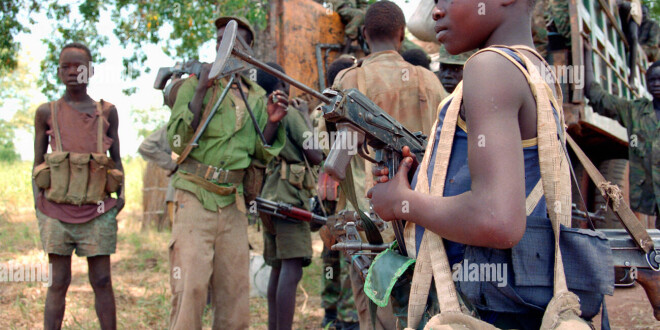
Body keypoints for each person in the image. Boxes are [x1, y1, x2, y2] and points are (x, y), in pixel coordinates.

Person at [368, 0, 599, 328]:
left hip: (478, 311)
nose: (436, 11)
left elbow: (497, 219)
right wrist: (427, 176)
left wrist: (401, 202)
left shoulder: (490, 67)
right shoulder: (532, 67)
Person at [166, 16, 287, 330]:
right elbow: (176, 140)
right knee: (190, 288)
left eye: (235, 40)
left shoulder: (257, 97)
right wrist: (200, 91)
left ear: (248, 49)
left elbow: (261, 153)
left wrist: (272, 123)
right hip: (193, 193)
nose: (226, 45)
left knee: (234, 292)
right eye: (221, 39)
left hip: (232, 203)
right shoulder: (194, 84)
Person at [331, 1, 447, 328]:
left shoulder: (349, 78)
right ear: (401, 35)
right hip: (427, 216)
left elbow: (333, 152)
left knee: (374, 306)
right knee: (426, 304)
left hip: (371, 220)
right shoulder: (430, 81)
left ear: (364, 34)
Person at [33, 42, 124, 330]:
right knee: (58, 282)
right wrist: (39, 203)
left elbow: (117, 159)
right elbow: (37, 164)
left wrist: (120, 198)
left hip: (97, 211)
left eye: (79, 66)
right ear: (58, 72)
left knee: (102, 280)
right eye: (66, 67)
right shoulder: (46, 112)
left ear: (91, 71)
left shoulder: (107, 112)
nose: (73, 72)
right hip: (56, 214)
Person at [584, 45, 660, 319]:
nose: (657, 84)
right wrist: (586, 56)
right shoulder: (636, 111)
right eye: (653, 80)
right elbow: (597, 97)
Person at [255, 63, 323, 330]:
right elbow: (315, 153)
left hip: (268, 196)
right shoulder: (289, 112)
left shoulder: (259, 107)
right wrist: (305, 116)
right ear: (282, 85)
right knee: (291, 269)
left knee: (277, 266)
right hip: (289, 197)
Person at [317, 56, 360, 329]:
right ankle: (341, 316)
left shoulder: (327, 109)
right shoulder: (333, 110)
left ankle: (333, 313)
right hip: (338, 197)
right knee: (341, 258)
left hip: (336, 197)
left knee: (334, 257)